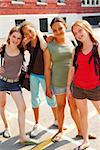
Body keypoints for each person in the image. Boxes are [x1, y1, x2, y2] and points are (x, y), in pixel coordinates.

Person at [20, 21, 57, 137]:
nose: (29, 34)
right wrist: (23, 44)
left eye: (30, 31)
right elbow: (15, 48)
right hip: (33, 75)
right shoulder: (28, 43)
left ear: (34, 28)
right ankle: (36, 124)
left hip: (46, 75)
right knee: (34, 100)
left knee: (50, 97)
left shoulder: (45, 38)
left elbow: (59, 39)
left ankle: (57, 120)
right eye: (26, 34)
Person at [66, 20, 100, 150]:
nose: (78, 34)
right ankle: (85, 140)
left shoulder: (97, 47)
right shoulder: (76, 50)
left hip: (95, 88)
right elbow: (72, 69)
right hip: (79, 87)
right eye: (75, 33)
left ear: (86, 29)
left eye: (80, 30)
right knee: (83, 114)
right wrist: (68, 86)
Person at [0, 26, 34, 144]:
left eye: (18, 38)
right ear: (9, 36)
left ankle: (22, 136)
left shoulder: (22, 49)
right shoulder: (3, 48)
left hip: (14, 84)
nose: (15, 40)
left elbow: (34, 35)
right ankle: (6, 127)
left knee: (22, 108)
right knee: (2, 105)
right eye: (14, 36)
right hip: (2, 82)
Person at [44, 17, 75, 142]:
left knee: (74, 107)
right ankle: (60, 130)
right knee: (61, 107)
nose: (58, 32)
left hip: (73, 82)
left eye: (60, 28)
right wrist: (47, 87)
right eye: (54, 30)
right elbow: (47, 69)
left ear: (65, 27)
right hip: (58, 82)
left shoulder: (72, 41)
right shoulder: (49, 46)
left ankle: (82, 131)